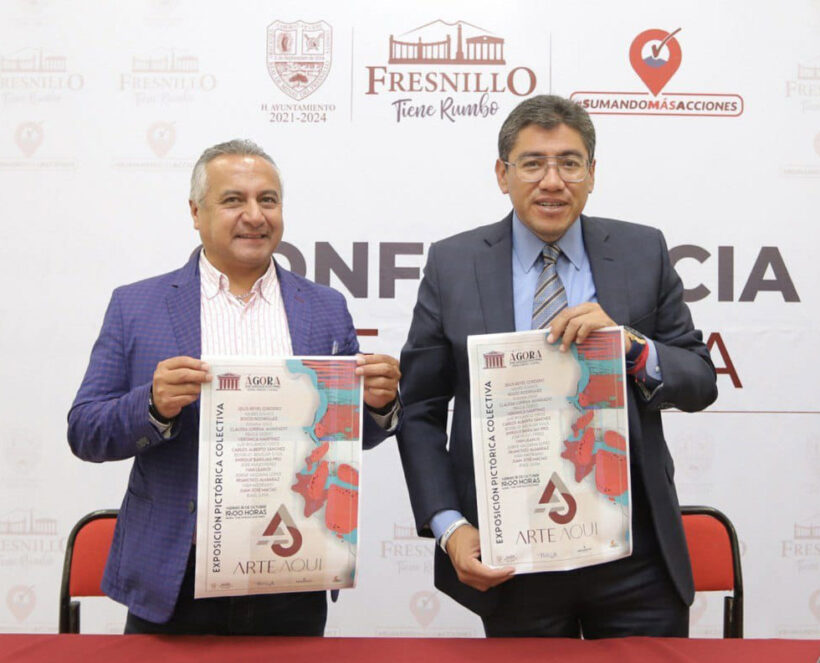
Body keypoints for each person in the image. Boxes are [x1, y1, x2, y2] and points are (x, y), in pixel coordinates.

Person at [397, 95, 717, 638]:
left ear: (592, 173)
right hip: (511, 555)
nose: (552, 181)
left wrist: (631, 347)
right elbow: (420, 408)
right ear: (502, 174)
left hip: (635, 556)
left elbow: (700, 380)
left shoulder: (642, 251)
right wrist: (450, 526)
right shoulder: (453, 264)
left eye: (570, 163)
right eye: (532, 163)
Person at [67, 139, 401, 636]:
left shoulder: (324, 307)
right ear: (195, 212)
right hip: (175, 577)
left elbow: (352, 437)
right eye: (233, 200)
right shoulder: (136, 306)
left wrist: (378, 405)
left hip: (293, 572)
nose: (255, 215)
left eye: (268, 200)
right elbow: (84, 431)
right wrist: (153, 406)